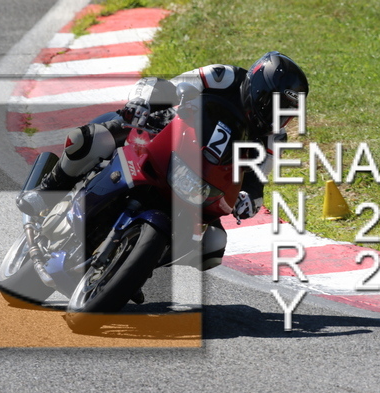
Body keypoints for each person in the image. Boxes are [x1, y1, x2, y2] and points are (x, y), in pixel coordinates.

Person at [17, 51, 309, 271]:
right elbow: (172, 85)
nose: (280, 116)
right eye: (277, 105)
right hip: (162, 132)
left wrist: (249, 200)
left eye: (289, 112)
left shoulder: (273, 137)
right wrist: (143, 104)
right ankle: (48, 190)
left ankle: (134, 266)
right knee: (90, 139)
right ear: (259, 89)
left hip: (202, 179)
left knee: (213, 246)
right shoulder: (225, 77)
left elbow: (258, 180)